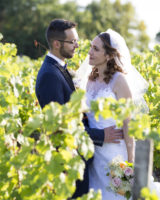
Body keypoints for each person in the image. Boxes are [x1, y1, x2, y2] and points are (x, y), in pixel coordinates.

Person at [76, 29, 160, 199]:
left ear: (108, 56)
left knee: (120, 195)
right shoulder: (90, 79)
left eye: (96, 49)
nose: (90, 52)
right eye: (91, 47)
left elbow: (128, 123)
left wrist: (131, 160)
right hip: (95, 152)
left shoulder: (119, 81)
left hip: (115, 153)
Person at [35, 19, 124, 198]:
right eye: (72, 42)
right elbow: (61, 127)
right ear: (56, 44)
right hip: (71, 161)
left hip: (107, 154)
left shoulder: (60, 69)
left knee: (120, 193)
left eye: (77, 41)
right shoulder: (50, 76)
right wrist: (102, 135)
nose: (78, 46)